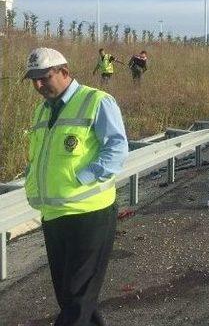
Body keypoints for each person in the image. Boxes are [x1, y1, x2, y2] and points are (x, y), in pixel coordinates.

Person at [23, 47, 128, 326]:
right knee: (70, 298)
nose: (38, 85)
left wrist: (82, 178)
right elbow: (39, 157)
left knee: (77, 298)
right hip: (54, 214)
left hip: (89, 213)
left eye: (43, 77)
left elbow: (116, 149)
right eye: (33, 79)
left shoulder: (97, 101)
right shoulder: (41, 111)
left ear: (64, 72)